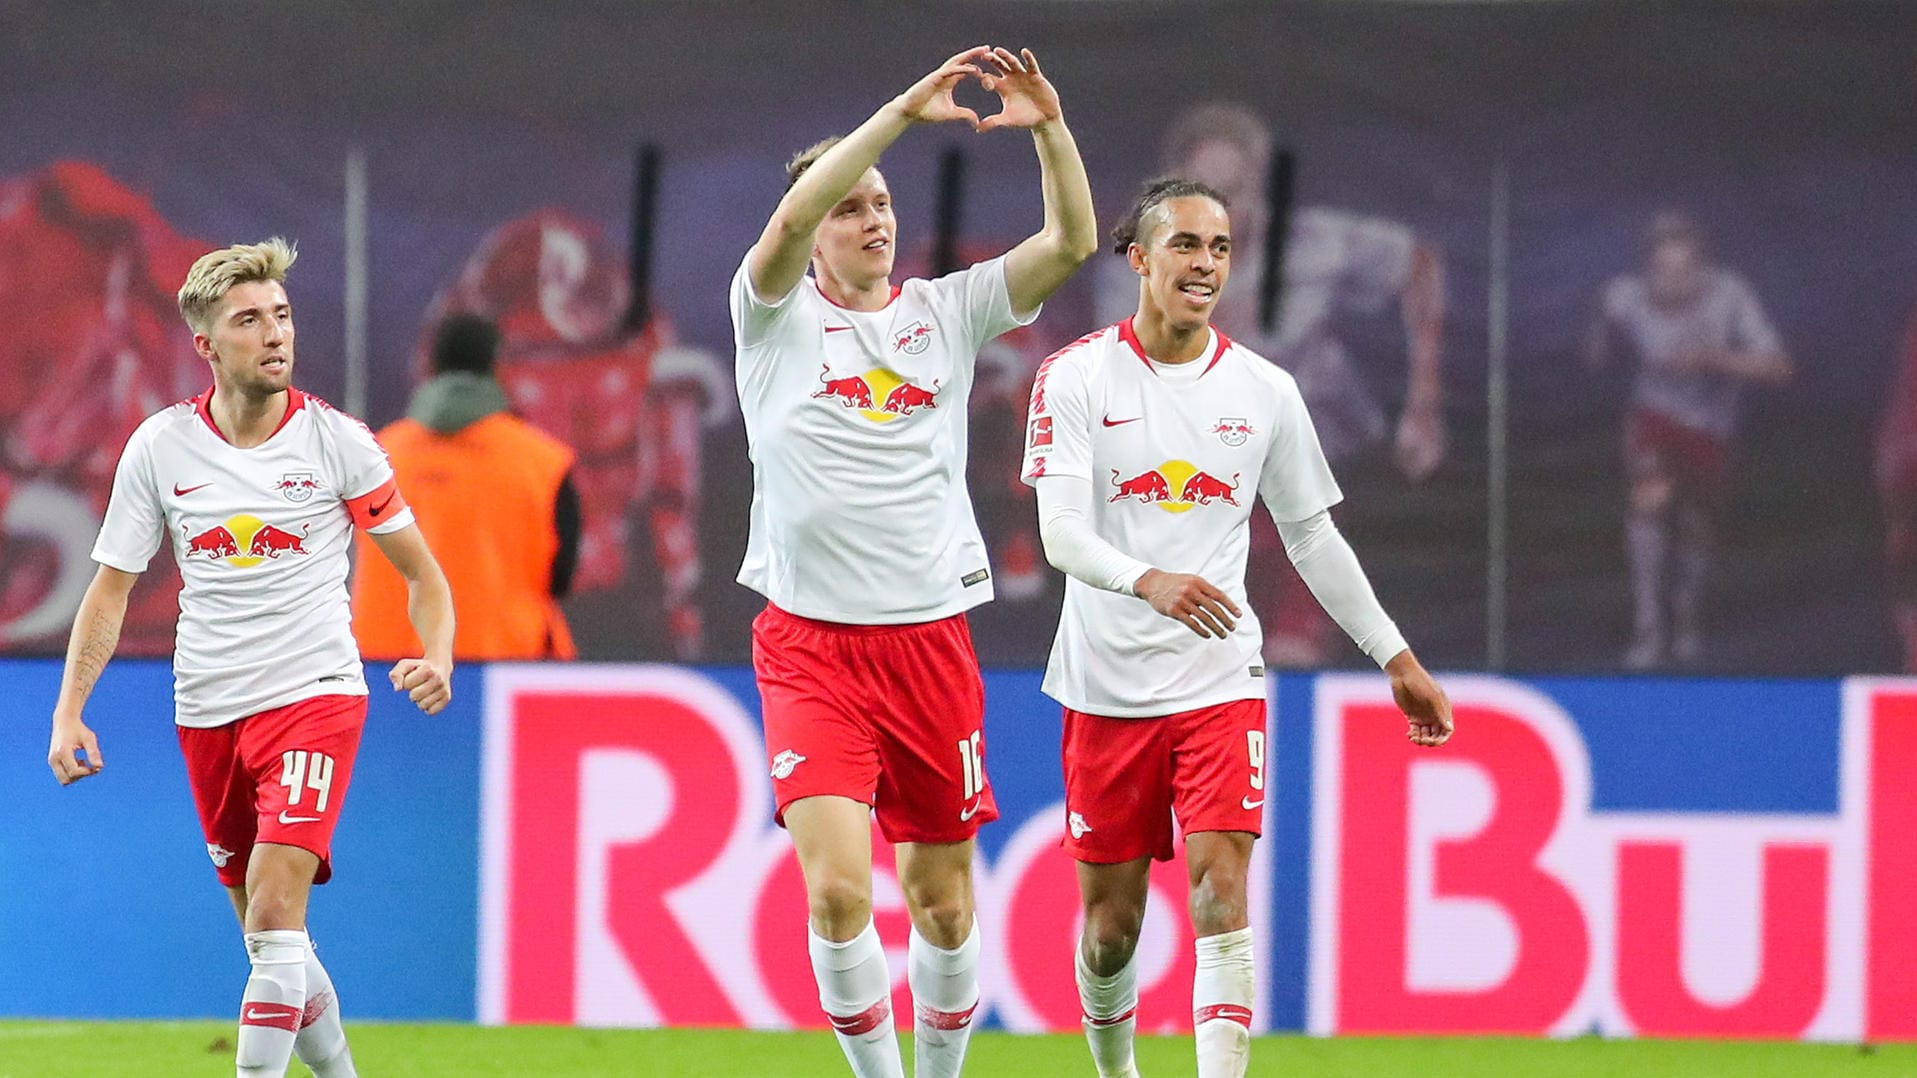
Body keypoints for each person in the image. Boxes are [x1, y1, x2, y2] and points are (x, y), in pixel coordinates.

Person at [1024, 180, 1453, 1078]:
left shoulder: (1263, 391)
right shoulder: (1074, 376)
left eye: (1219, 248)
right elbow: (1059, 534)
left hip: (1220, 682)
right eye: (1184, 245)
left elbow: (1310, 536)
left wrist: (1395, 655)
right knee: (1111, 931)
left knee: (1222, 890)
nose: (1205, 264)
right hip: (1104, 688)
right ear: (1138, 260)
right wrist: (1148, 582)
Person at [730, 46, 1095, 1078]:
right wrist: (900, 110)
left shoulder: (946, 312)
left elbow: (1071, 241)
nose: (873, 220)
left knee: (941, 902)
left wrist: (1049, 130)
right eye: (852, 206)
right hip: (810, 649)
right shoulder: (772, 317)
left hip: (930, 640)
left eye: (882, 204)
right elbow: (789, 222)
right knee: (840, 891)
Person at [45, 239, 455, 1078]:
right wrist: (67, 710)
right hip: (206, 711)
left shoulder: (339, 444)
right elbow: (110, 591)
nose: (275, 335)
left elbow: (424, 577)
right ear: (206, 346)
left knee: (274, 908)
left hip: (315, 696)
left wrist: (438, 653)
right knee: (271, 939)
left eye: (282, 315)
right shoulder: (159, 449)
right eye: (249, 320)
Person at [1097, 102, 1448, 667]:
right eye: (1203, 195)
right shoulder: (1134, 273)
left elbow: (1418, 267)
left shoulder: (1317, 244)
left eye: (1234, 192)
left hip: (1320, 461)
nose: (1221, 212)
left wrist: (1424, 405)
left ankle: (1303, 627)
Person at [1585, 212, 1790, 669]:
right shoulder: (1625, 297)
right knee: (1649, 500)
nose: (1674, 283)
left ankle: (1685, 614)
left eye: (1685, 271)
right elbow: (1594, 359)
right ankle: (1648, 626)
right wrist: (1603, 332)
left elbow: (1779, 366)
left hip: (1711, 425)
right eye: (1665, 271)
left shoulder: (1731, 295)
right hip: (1653, 414)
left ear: (1702, 268)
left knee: (1697, 523)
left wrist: (1714, 359)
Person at [352, 313, 580, 660]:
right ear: (496, 368)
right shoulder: (543, 463)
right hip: (503, 668)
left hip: (382, 673)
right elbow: (561, 576)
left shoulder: (375, 454)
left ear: (430, 367)